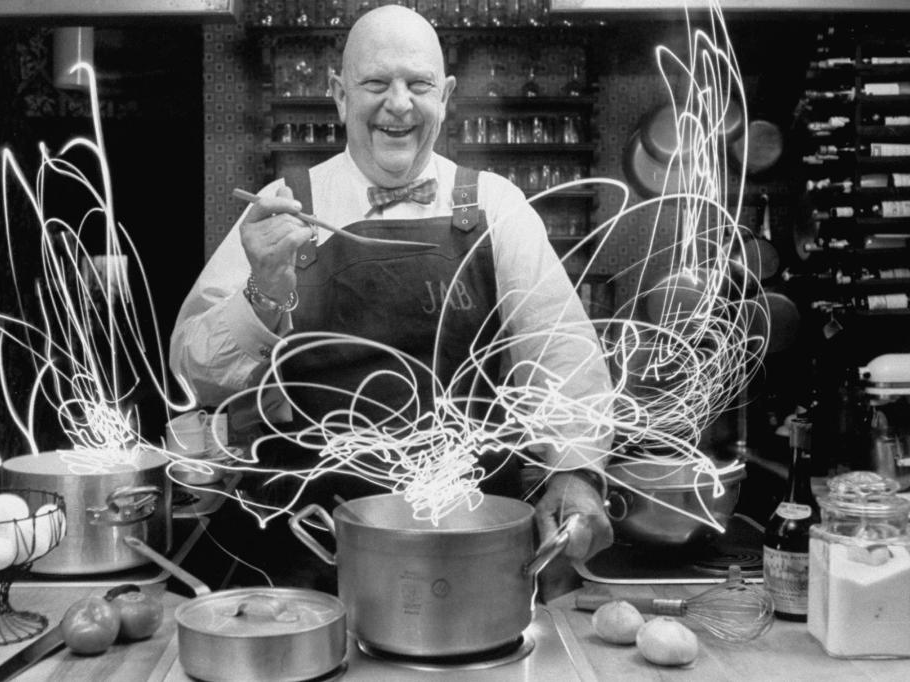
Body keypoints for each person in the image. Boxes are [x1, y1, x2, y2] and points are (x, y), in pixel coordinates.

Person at [170, 5, 613, 592]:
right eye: (376, 83)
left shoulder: (494, 205)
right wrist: (263, 292)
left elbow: (561, 353)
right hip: (313, 538)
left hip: (466, 535)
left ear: (446, 95)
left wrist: (576, 471)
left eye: (419, 84)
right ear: (338, 95)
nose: (399, 104)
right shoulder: (284, 205)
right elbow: (195, 373)